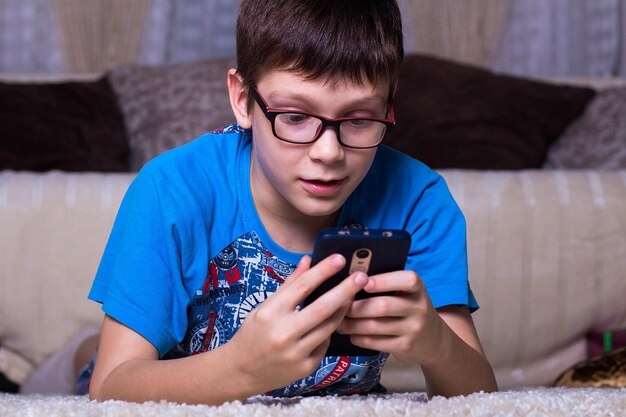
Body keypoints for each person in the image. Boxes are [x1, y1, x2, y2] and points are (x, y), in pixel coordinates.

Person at [27, 0, 497, 404]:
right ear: (242, 99)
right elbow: (111, 387)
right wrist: (243, 369)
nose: (328, 153)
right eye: (294, 117)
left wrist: (437, 345)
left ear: (389, 109)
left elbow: (479, 393)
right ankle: (80, 349)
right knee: (93, 361)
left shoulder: (419, 198)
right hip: (167, 380)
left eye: (358, 119)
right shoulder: (171, 188)